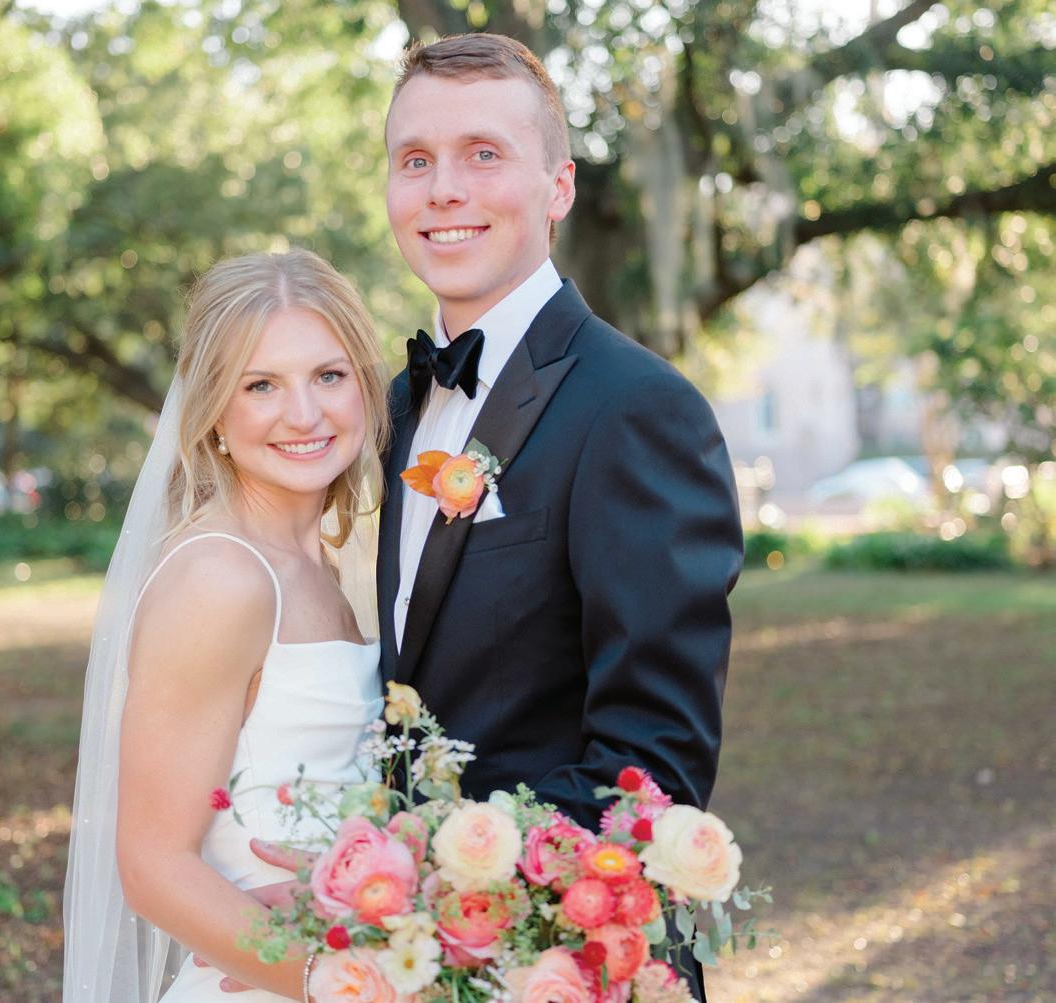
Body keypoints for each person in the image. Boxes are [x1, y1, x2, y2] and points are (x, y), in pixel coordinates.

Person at [247, 33, 743, 1002]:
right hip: (403, 963)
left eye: (482, 154)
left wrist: (419, 889)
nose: (443, 190)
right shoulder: (385, 409)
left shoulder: (636, 409)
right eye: (414, 160)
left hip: (565, 962)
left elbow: (651, 769)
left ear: (558, 187)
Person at [61, 249, 390, 1003]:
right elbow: (152, 864)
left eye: (328, 375)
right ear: (213, 409)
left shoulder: (322, 564)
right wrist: (342, 980)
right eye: (260, 385)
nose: (303, 414)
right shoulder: (221, 578)